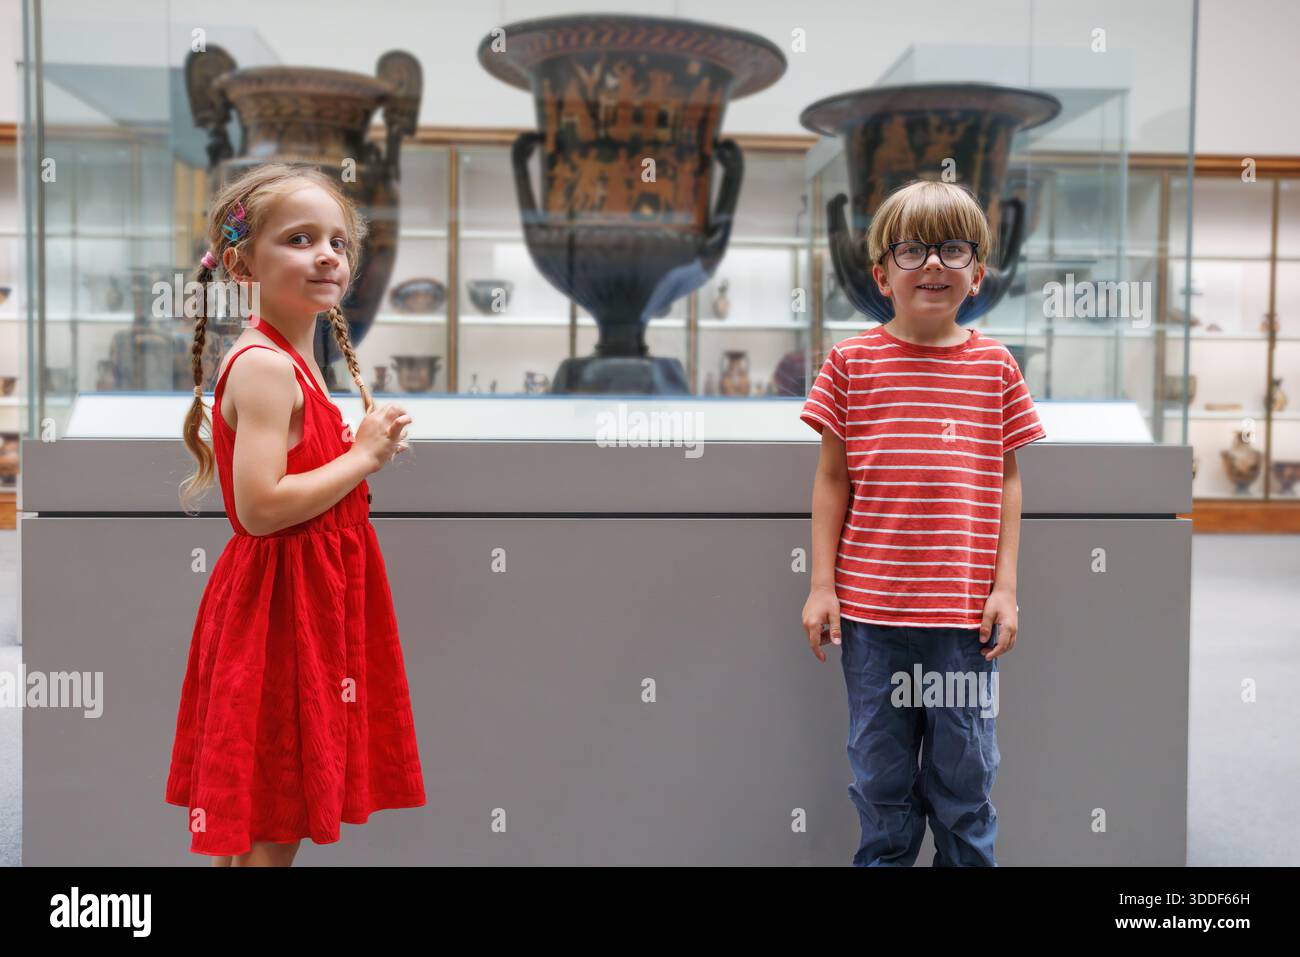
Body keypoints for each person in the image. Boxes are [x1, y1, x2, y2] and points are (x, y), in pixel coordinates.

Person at [167, 163, 425, 866]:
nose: (326, 255)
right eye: (299, 238)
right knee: (275, 812)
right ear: (242, 262)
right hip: (279, 610)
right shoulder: (265, 367)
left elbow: (290, 472)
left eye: (337, 242)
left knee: (264, 812)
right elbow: (257, 508)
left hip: (307, 602)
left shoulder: (293, 360)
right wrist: (362, 458)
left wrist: (346, 446)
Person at [799, 179, 1047, 866]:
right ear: (880, 273)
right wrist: (823, 585)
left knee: (965, 784)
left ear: (978, 272)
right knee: (881, 783)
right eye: (912, 249)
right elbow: (831, 477)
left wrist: (1006, 587)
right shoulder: (851, 364)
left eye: (952, 248)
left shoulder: (995, 367)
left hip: (965, 624)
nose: (933, 264)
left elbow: (1007, 479)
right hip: (873, 619)